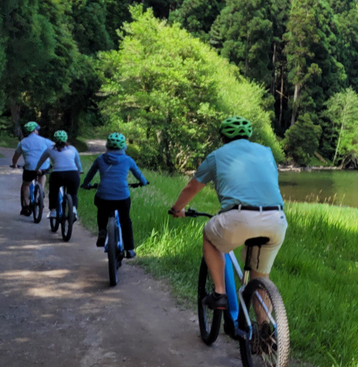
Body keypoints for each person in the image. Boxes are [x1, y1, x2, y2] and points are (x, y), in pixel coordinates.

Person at [169, 116, 287, 311]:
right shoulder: (266, 152)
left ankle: (219, 293)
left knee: (209, 235)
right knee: (260, 278)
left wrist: (176, 209)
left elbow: (192, 187)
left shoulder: (216, 156)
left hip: (239, 218)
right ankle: (266, 331)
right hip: (276, 219)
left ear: (222, 137)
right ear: (248, 135)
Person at [81, 133, 148, 258]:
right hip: (122, 196)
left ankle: (102, 231)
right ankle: (129, 249)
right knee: (125, 220)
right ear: (124, 147)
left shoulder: (100, 159)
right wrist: (144, 182)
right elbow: (139, 175)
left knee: (101, 210)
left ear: (107, 146)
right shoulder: (128, 160)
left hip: (103, 195)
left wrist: (86, 184)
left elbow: (90, 174)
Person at [35, 130, 83, 220]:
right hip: (72, 174)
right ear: (66, 139)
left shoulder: (50, 149)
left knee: (53, 192)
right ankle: (73, 210)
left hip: (57, 174)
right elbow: (78, 163)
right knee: (73, 193)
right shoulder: (73, 149)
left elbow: (41, 160)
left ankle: (53, 211)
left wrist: (37, 169)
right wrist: (80, 171)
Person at [11, 121, 54, 216]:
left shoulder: (22, 142)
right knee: (42, 174)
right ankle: (41, 191)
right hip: (43, 166)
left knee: (26, 184)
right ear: (35, 130)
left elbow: (15, 157)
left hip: (30, 167)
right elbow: (55, 148)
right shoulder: (45, 140)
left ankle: (26, 206)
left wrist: (14, 164)